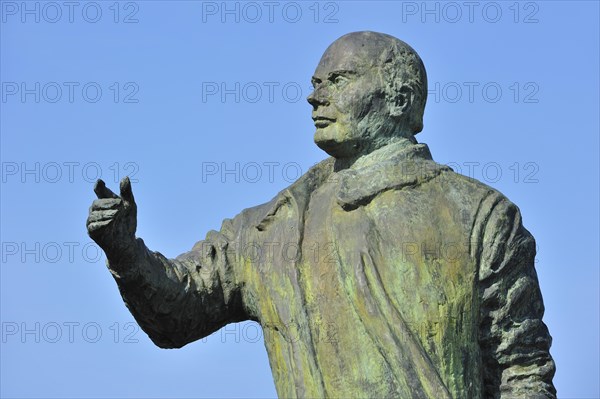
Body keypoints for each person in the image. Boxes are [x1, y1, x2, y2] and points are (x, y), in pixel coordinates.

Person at [87, 31, 556, 398]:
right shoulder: (275, 226)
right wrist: (126, 253)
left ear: (399, 98)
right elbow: (180, 311)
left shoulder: (479, 216)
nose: (315, 98)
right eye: (315, 84)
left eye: (339, 80)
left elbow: (522, 370)